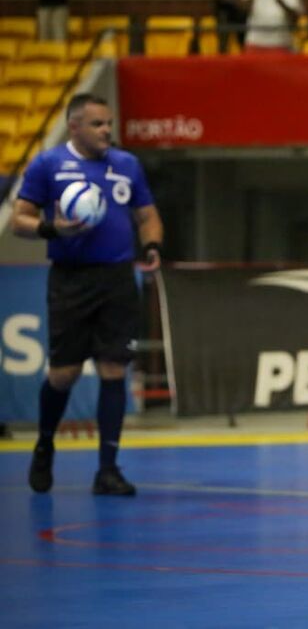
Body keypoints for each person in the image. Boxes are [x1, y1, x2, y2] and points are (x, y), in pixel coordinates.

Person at [12, 93, 164, 497]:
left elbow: (146, 214)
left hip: (116, 278)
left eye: (109, 124)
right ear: (74, 126)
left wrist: (151, 246)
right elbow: (18, 219)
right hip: (71, 280)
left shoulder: (126, 165)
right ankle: (45, 444)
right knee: (65, 373)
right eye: (98, 124)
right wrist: (51, 229)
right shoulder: (48, 164)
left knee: (115, 369)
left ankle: (108, 469)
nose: (107, 131)